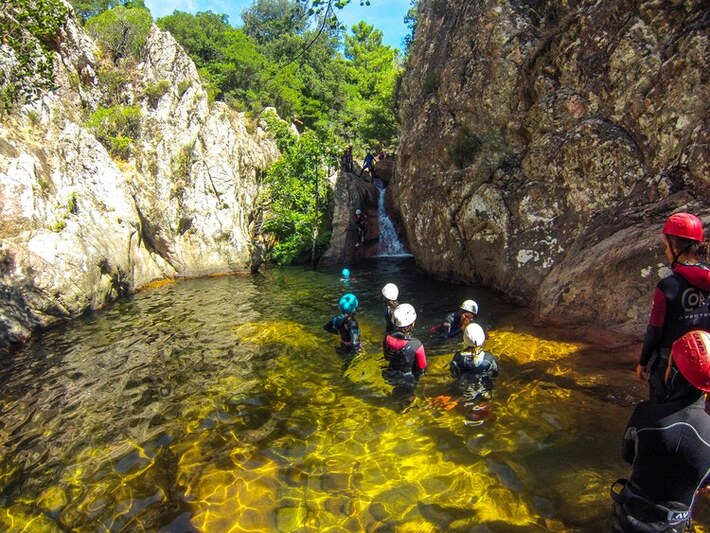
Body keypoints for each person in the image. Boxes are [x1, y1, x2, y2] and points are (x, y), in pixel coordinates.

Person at [611, 329, 710, 532]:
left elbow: (628, 455)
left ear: (672, 373)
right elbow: (704, 483)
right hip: (673, 525)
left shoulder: (645, 413)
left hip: (629, 519)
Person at [636, 212, 710, 400]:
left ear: (675, 246)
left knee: (661, 410)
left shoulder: (667, 287)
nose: (665, 251)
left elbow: (655, 331)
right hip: (704, 363)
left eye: (666, 245)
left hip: (669, 363)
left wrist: (643, 362)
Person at [382, 303, 427, 392]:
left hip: (390, 375)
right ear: (411, 324)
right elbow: (422, 369)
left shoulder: (387, 338)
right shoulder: (417, 345)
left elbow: (387, 358)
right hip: (408, 379)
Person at [449, 323, 498, 403]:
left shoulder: (458, 358)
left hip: (464, 391)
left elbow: (454, 374)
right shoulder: (489, 358)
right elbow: (495, 374)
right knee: (487, 395)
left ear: (465, 339)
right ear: (482, 339)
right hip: (484, 390)